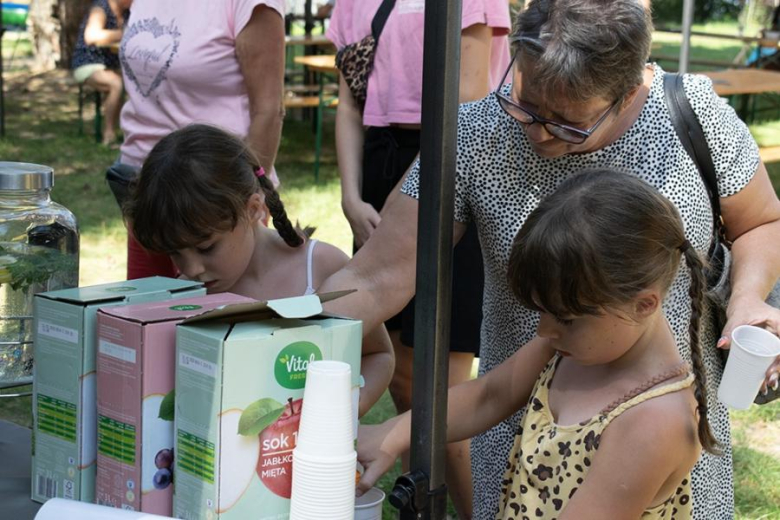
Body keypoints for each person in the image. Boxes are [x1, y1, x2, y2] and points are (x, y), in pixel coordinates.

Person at [317, 0, 780, 518]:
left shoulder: (691, 114)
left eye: (567, 123)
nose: (536, 131)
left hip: (651, 448)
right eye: (525, 103)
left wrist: (747, 300)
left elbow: (762, 220)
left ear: (629, 92)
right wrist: (275, 330)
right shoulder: (473, 136)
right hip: (527, 438)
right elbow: (378, 276)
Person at [357, 169, 718, 518]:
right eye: (541, 312)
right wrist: (394, 434)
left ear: (644, 304)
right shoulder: (571, 350)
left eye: (564, 317)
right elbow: (488, 396)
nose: (544, 331)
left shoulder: (654, 421)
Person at [327, 0, 510, 515]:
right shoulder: (349, 5)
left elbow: (471, 101)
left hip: (456, 162)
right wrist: (350, 194)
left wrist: (422, 190)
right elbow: (349, 104)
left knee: (445, 387)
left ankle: (482, 512)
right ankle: (420, 499)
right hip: (380, 165)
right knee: (406, 376)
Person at [123, 124, 394, 417]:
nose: (191, 268)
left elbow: (378, 355)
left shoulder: (322, 268)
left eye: (206, 248)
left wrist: (342, 413)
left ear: (253, 209)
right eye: (175, 252)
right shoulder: (185, 296)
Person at [116, 0, 286, 280]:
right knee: (148, 315)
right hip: (146, 195)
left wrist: (246, 196)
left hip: (213, 205)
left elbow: (268, 110)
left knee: (225, 319)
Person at [71, 0, 132, 147]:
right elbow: (91, 36)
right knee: (116, 84)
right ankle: (108, 134)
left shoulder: (126, 13)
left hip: (111, 64)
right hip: (88, 63)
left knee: (133, 83)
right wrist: (123, 34)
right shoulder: (101, 9)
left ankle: (127, 131)